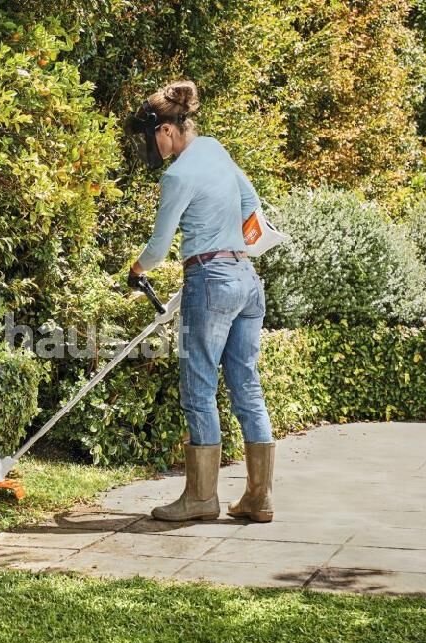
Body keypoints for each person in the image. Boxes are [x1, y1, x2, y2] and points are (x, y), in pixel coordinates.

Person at [126, 80, 275, 523]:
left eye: (152, 138)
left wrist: (137, 271)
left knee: (198, 387)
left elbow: (158, 246)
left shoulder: (178, 174)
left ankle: (201, 498)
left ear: (167, 130)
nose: (154, 148)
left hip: (209, 279)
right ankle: (258, 498)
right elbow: (252, 204)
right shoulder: (214, 148)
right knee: (246, 385)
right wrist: (230, 246)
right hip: (246, 278)